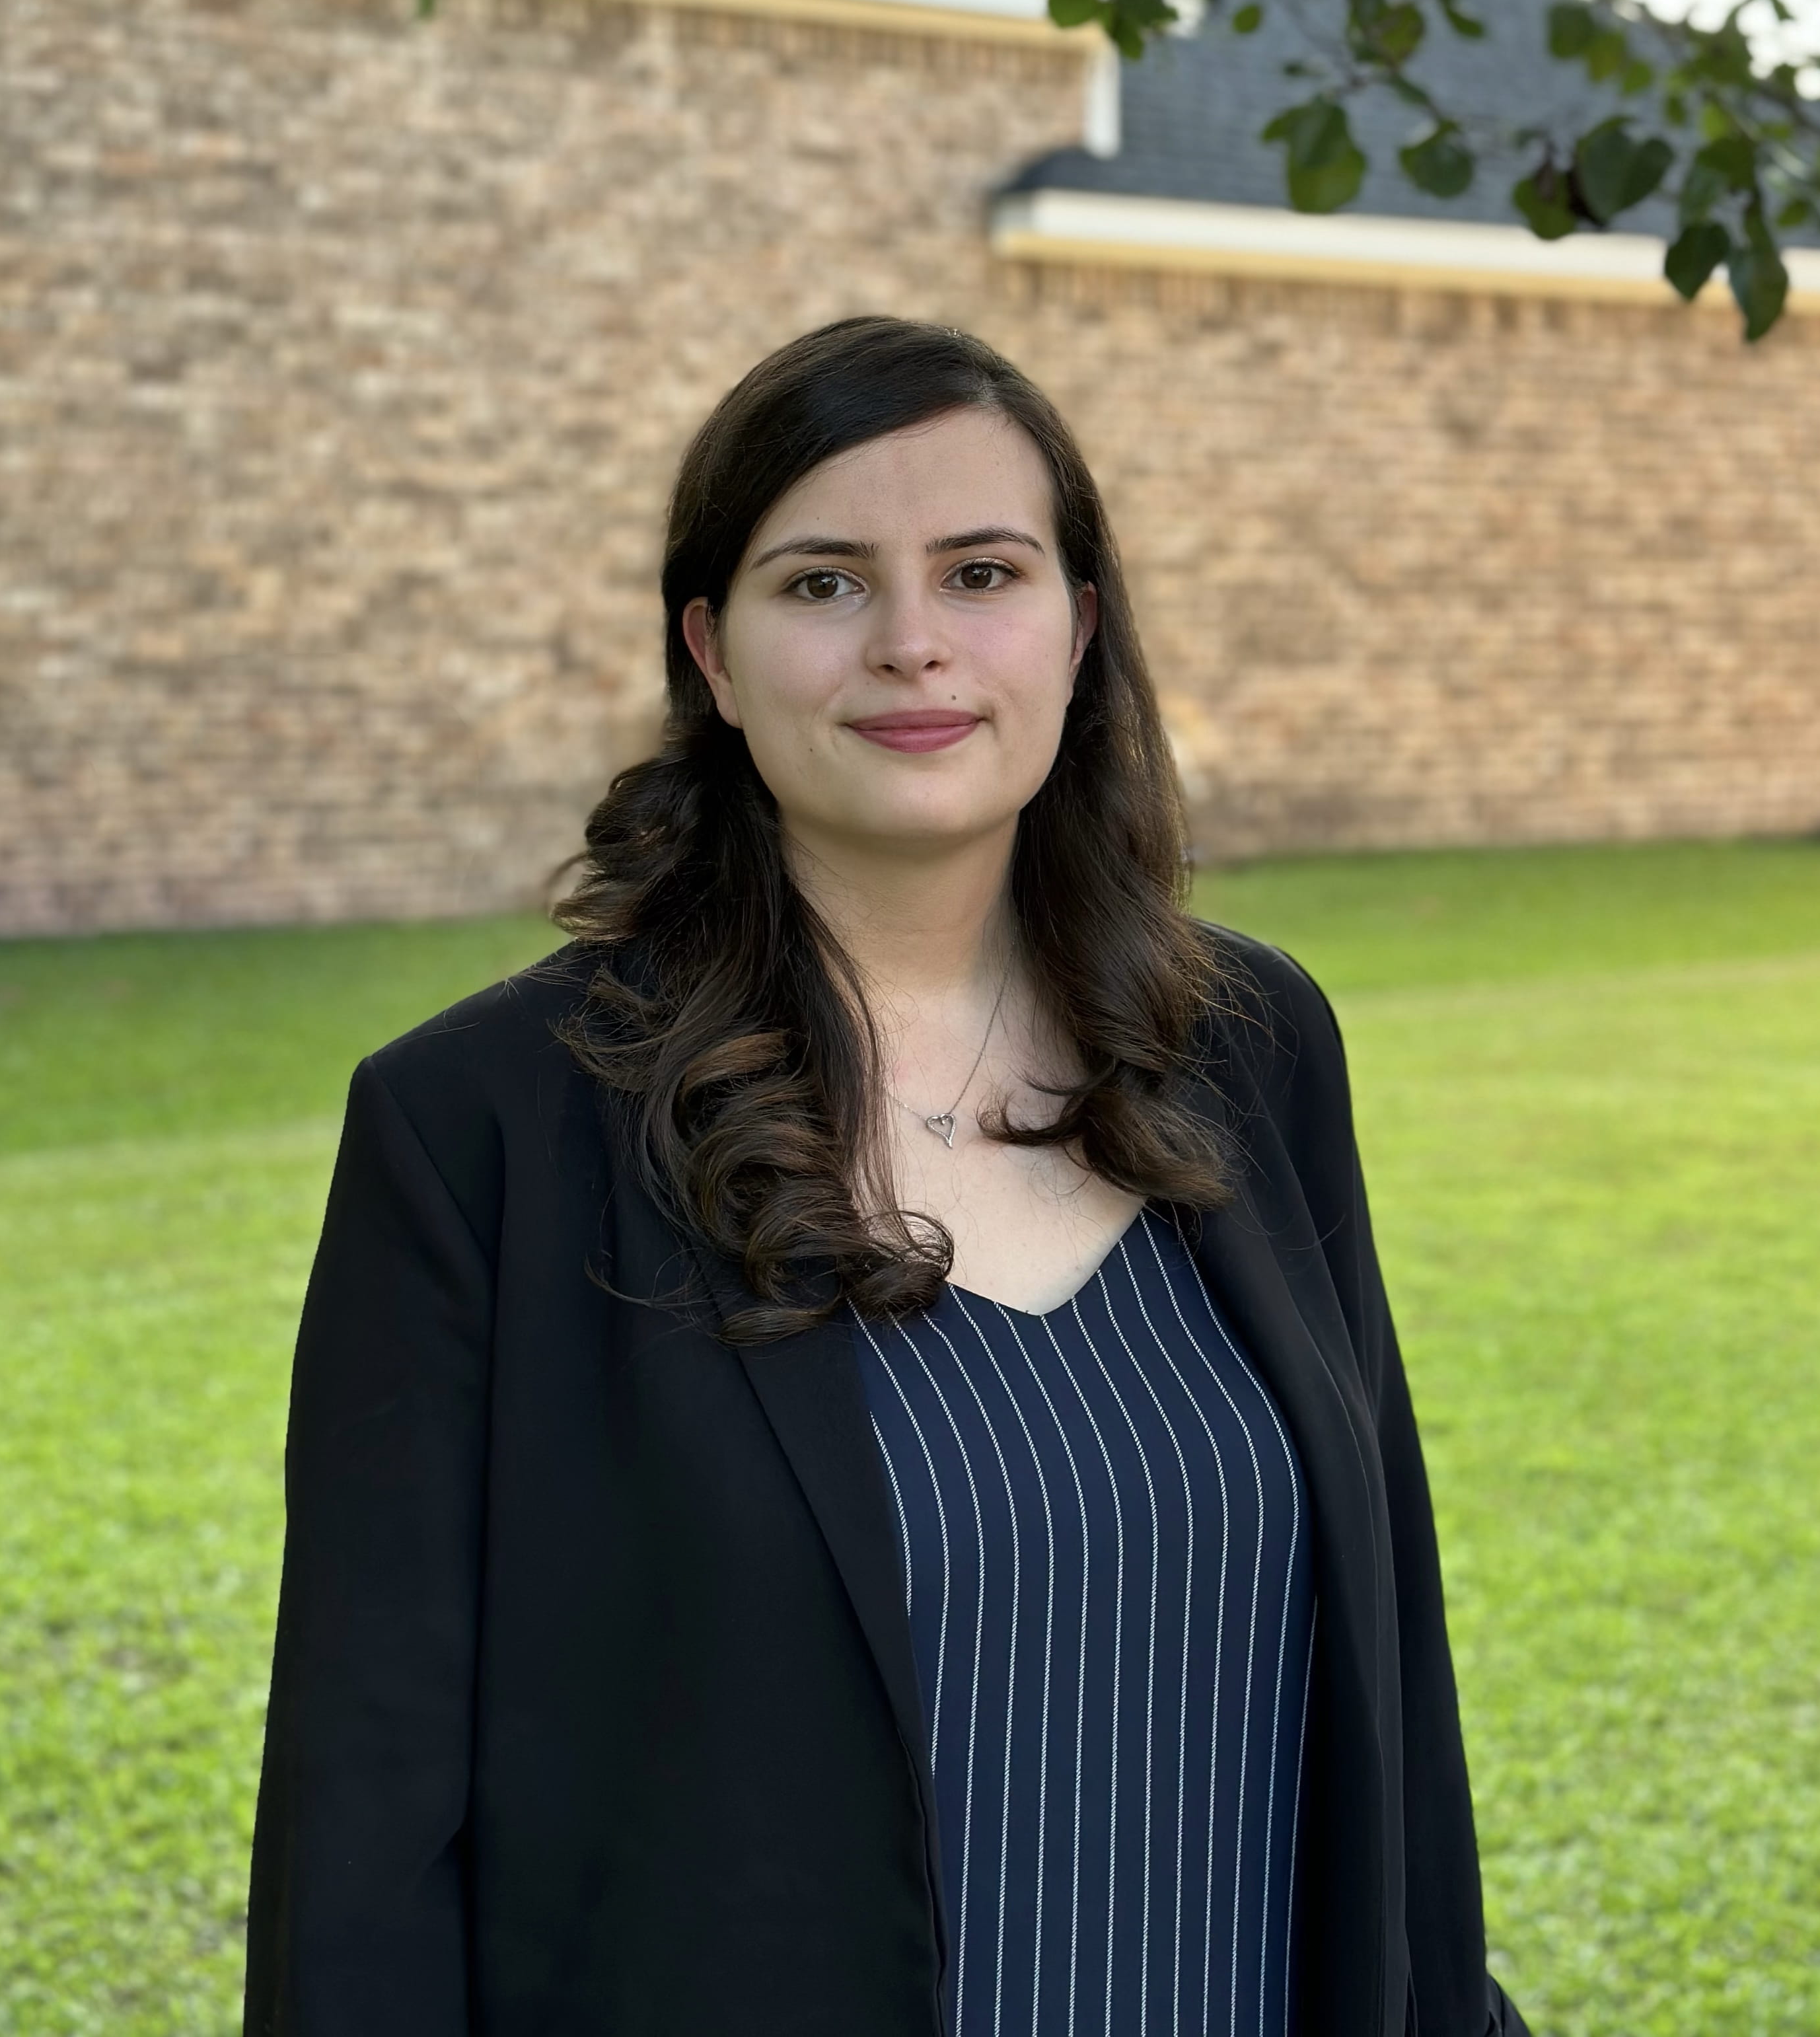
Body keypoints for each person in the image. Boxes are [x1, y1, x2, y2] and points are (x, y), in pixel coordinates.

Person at [244, 316, 1527, 2037]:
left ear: (1080, 628)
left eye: (983, 571)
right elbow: (371, 1819)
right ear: (711, 648)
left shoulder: (1255, 1050)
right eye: (824, 584)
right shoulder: (481, 1130)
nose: (914, 645)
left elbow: (1393, 1683)